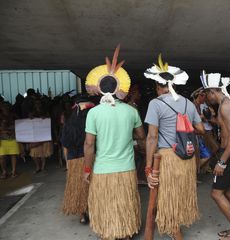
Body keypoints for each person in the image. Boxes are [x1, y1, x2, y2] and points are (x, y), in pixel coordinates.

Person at [83, 45, 145, 239]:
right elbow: (142, 137)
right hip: (126, 167)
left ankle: (108, 232)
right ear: (120, 89)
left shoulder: (93, 112)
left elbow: (89, 145)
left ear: (100, 89)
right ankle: (125, 232)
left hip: (102, 168)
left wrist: (86, 169)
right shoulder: (131, 111)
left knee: (106, 202)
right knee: (125, 201)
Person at [144, 55, 204, 240]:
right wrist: (184, 125)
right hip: (186, 157)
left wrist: (148, 166)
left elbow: (152, 136)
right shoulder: (188, 103)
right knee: (179, 194)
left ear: (158, 86)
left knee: (167, 196)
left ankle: (176, 233)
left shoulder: (155, 103)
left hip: (167, 157)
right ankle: (176, 228)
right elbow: (201, 129)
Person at [200, 70, 230, 240]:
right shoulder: (229, 104)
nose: (207, 98)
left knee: (216, 193)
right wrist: (210, 120)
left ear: (213, 91)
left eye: (207, 94)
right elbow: (227, 127)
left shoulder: (226, 106)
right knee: (228, 192)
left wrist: (222, 161)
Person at [61, 95, 95, 223]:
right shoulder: (92, 121)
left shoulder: (68, 123)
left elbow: (65, 146)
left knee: (78, 187)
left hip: (73, 159)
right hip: (90, 158)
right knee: (90, 187)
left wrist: (67, 163)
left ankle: (82, 215)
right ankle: (92, 210)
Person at [29, 98, 53, 173]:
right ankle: (37, 167)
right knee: (34, 153)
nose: (38, 105)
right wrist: (31, 118)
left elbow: (50, 121)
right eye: (36, 103)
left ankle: (43, 167)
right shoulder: (31, 113)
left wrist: (45, 118)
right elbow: (28, 122)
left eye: (39, 103)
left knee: (43, 152)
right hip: (35, 135)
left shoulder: (46, 112)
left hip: (44, 134)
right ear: (34, 105)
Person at [0, 102, 20, 179]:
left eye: (7, 106)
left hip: (13, 137)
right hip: (2, 138)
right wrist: (3, 131)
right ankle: (4, 171)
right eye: (3, 106)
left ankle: (13, 171)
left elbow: (20, 123)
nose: (6, 107)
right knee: (1, 157)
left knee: (13, 155)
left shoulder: (13, 115)